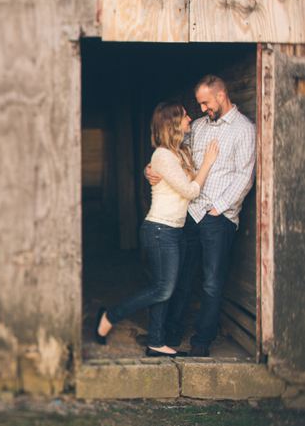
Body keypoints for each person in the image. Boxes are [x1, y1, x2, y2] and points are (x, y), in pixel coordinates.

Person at [95, 101, 219, 357]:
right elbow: (190, 191)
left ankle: (156, 341)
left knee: (164, 287)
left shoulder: (179, 153)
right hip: (159, 231)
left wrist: (147, 170)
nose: (189, 119)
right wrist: (208, 162)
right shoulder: (162, 155)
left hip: (174, 230)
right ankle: (110, 315)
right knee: (163, 288)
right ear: (174, 123)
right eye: (185, 116)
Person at [145, 75, 256, 357]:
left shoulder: (244, 130)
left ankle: (202, 340)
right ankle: (170, 333)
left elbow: (245, 175)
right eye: (199, 104)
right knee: (181, 275)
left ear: (220, 96)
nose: (202, 108)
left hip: (218, 217)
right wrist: (151, 167)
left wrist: (219, 207)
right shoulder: (198, 127)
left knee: (211, 281)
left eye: (205, 103)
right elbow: (172, 150)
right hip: (190, 212)